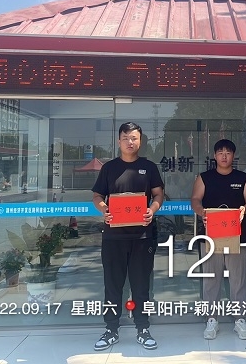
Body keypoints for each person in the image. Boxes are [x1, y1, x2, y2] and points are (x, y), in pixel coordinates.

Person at [91, 122, 164, 351]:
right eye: (126, 138)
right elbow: (97, 196)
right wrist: (104, 209)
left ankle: (143, 328)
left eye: (134, 138)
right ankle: (111, 329)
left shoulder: (149, 167)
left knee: (141, 286)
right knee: (112, 286)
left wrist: (152, 210)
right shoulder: (109, 168)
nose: (130, 142)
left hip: (142, 237)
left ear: (140, 141)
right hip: (113, 238)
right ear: (119, 141)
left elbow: (158, 194)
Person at [190, 139, 246, 340]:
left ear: (233, 155)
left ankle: (239, 319)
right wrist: (202, 212)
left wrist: (245, 209)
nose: (224, 156)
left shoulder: (243, 178)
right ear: (215, 155)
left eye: (228, 152)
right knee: (211, 279)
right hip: (211, 236)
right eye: (220, 152)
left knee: (239, 280)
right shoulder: (205, 178)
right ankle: (212, 319)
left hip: (238, 237)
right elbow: (195, 200)